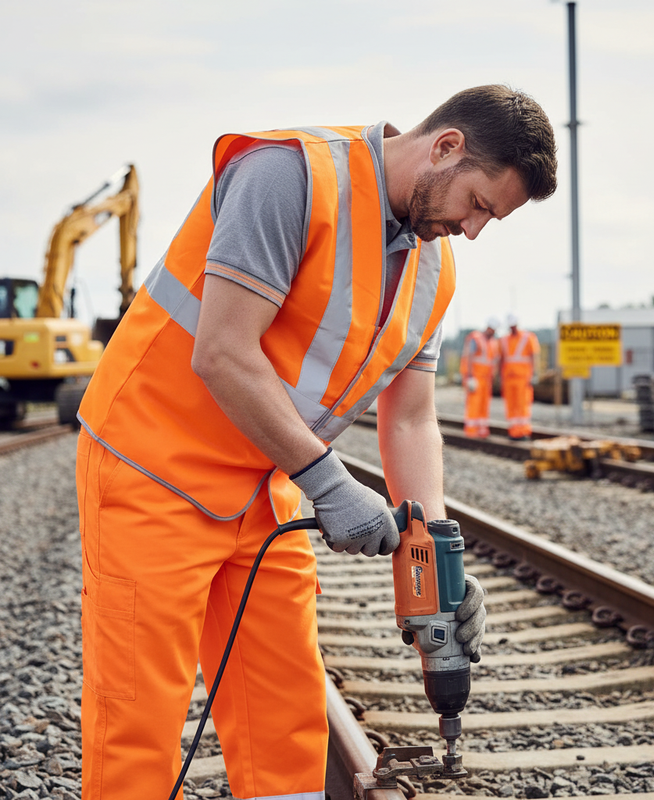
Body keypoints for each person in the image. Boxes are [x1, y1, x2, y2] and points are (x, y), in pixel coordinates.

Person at [75, 84, 558, 800]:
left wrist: (435, 562)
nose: (476, 230)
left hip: (260, 489)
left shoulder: (433, 265)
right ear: (446, 147)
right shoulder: (289, 176)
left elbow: (410, 417)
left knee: (284, 718)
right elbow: (223, 353)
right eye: (481, 204)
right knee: (139, 720)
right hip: (151, 465)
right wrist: (331, 486)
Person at [499, 313, 540, 439]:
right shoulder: (504, 340)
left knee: (523, 405)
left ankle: (523, 431)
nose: (512, 328)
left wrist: (535, 374)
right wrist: (500, 377)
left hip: (523, 378)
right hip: (508, 379)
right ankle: (513, 431)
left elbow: (535, 356)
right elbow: (501, 359)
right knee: (511, 406)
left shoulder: (528, 337)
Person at [460, 318, 501, 438]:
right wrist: (470, 376)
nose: (492, 332)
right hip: (475, 378)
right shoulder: (476, 338)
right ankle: (471, 431)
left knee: (484, 405)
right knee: (474, 403)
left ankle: (482, 430)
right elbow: (469, 357)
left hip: (486, 379)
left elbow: (493, 361)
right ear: (488, 327)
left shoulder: (493, 342)